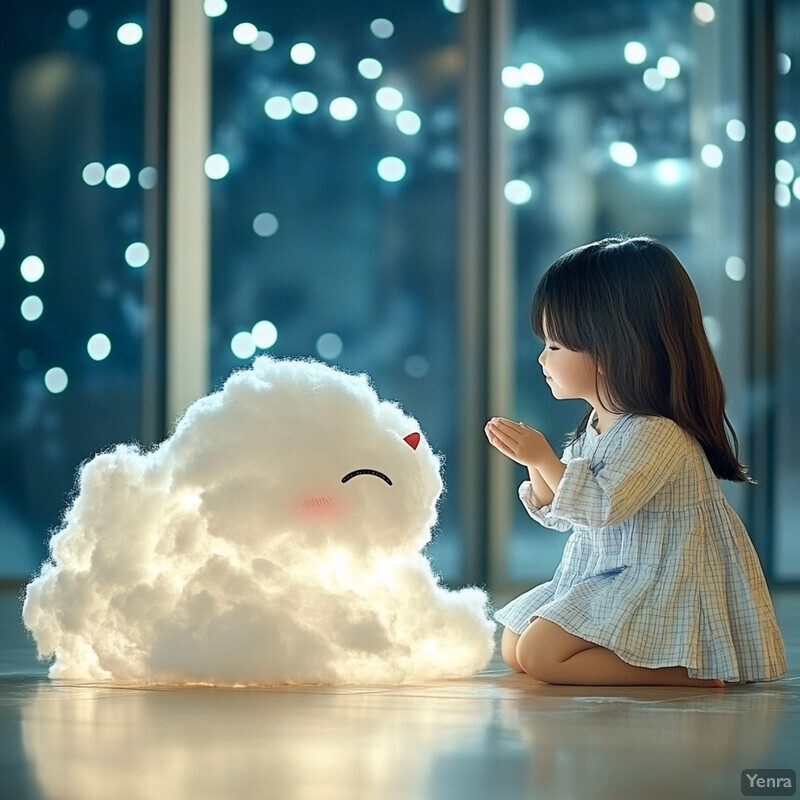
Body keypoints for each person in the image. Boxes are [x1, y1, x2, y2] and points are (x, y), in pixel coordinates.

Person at [486, 236, 786, 687]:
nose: (542, 358)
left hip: (658, 578)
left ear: (610, 350)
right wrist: (532, 461)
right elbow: (561, 511)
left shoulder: (655, 432)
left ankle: (690, 670)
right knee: (514, 644)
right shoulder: (596, 426)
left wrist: (543, 457)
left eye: (555, 346)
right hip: (603, 572)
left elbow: (602, 507)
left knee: (541, 657)